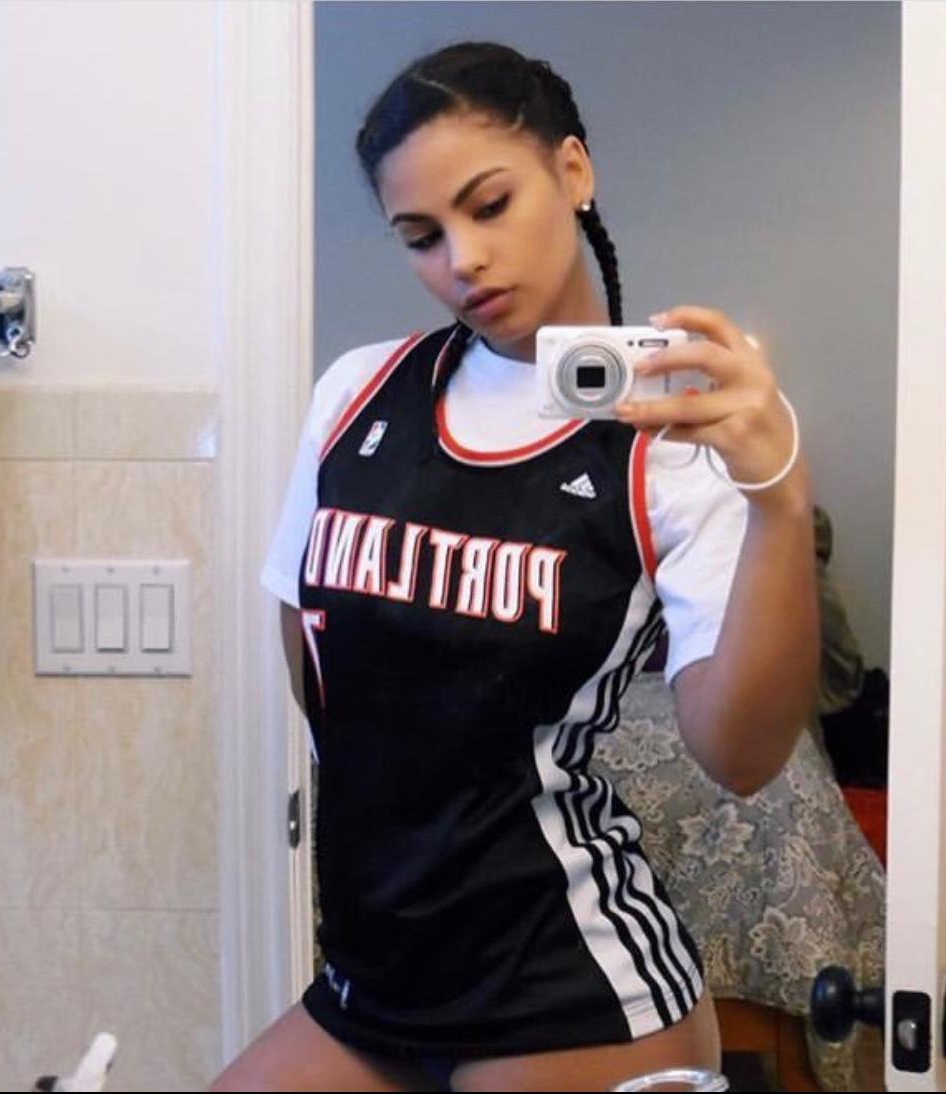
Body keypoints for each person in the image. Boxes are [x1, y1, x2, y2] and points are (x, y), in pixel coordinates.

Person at [210, 41, 818, 1093]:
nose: (463, 259)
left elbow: (742, 755)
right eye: (421, 236)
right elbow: (310, 642)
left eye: (490, 205)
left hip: (571, 993)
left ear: (572, 170)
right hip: (372, 980)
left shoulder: (670, 440)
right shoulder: (357, 395)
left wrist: (780, 501)